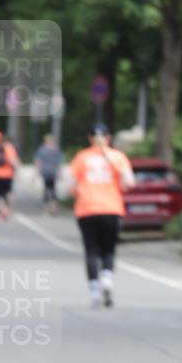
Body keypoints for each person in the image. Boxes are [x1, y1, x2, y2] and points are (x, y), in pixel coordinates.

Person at [68, 124, 134, 308]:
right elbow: (129, 183)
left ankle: (94, 290)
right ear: (108, 138)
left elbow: (71, 185)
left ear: (90, 138)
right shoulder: (118, 157)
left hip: (86, 208)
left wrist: (79, 191)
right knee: (108, 249)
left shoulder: (82, 157)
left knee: (91, 250)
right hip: (111, 208)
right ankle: (107, 278)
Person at [0, 136, 20, 221]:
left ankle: (2, 211)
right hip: (8, 174)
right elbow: (13, 161)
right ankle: (9, 209)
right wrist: (17, 170)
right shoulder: (10, 149)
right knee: (9, 192)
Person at [34, 134, 63, 214]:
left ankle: (46, 207)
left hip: (46, 171)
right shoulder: (56, 149)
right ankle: (54, 207)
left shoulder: (42, 149)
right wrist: (60, 172)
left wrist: (37, 171)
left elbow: (38, 161)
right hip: (53, 171)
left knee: (47, 188)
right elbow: (59, 162)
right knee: (53, 189)